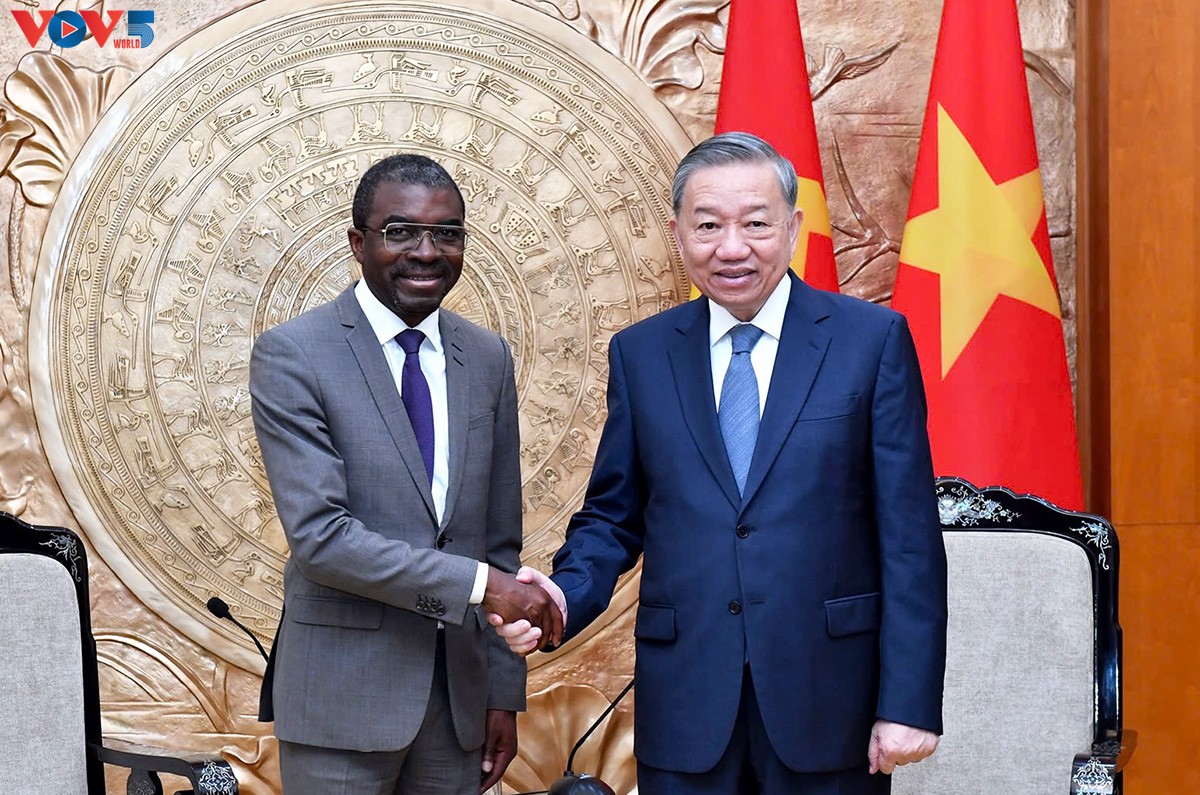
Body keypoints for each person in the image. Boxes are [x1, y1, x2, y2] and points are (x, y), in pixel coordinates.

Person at [492, 132, 947, 794]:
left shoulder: (869, 342)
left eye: (755, 223)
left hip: (829, 698)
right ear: (679, 235)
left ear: (792, 228)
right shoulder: (643, 354)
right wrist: (563, 594)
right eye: (708, 226)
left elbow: (909, 537)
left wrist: (908, 702)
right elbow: (613, 517)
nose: (732, 248)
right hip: (687, 702)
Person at [250, 153, 562, 795]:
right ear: (358, 242)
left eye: (447, 233)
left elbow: (498, 540)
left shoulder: (487, 357)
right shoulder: (294, 354)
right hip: (341, 702)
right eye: (401, 232)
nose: (426, 252)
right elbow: (322, 539)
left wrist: (501, 692)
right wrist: (484, 586)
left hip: (458, 705)